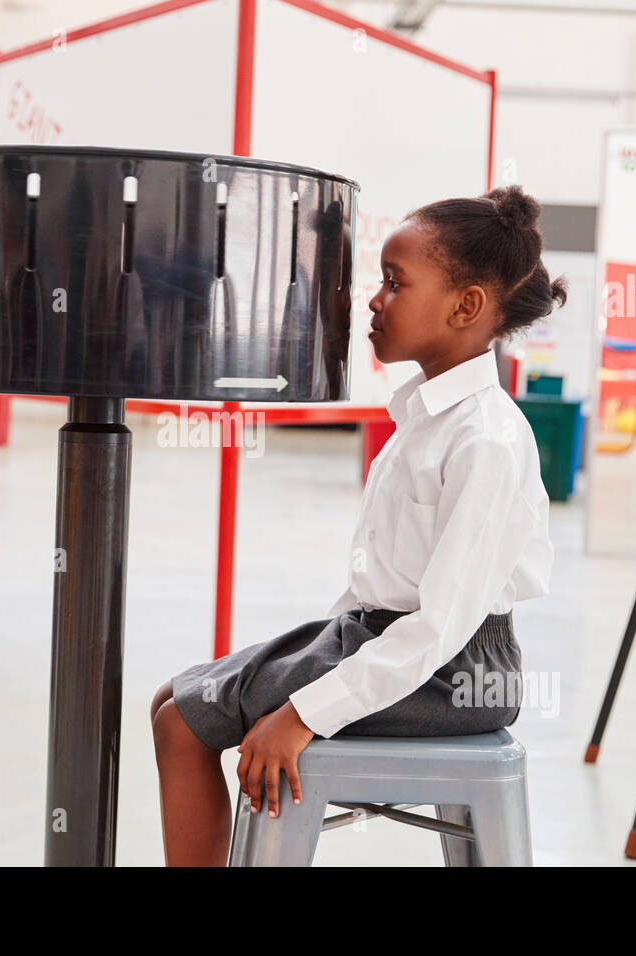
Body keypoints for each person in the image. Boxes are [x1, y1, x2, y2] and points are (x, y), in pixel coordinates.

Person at [150, 184, 565, 866]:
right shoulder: (422, 419)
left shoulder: (487, 440)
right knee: (177, 698)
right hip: (388, 641)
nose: (373, 301)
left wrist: (304, 712)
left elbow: (441, 625)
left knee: (181, 726)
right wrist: (313, 661)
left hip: (454, 673)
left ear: (466, 306)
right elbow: (378, 589)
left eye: (395, 283)